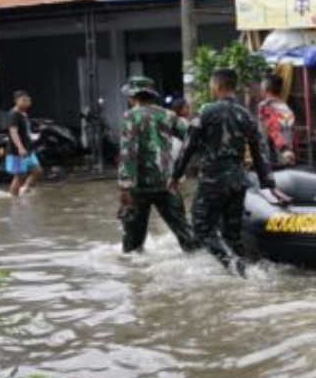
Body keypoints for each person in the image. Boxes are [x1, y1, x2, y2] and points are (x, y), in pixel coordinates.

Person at [170, 68, 277, 274]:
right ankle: (241, 273)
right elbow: (260, 151)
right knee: (232, 233)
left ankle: (231, 262)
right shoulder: (246, 114)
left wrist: (175, 176)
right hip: (238, 180)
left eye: (211, 85)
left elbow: (188, 146)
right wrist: (269, 184)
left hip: (214, 179)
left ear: (217, 86)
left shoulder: (206, 111)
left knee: (201, 226)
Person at [117, 76, 196, 254]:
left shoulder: (130, 116)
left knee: (133, 244)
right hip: (167, 184)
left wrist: (124, 187)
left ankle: (135, 276)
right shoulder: (169, 115)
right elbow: (192, 140)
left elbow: (127, 153)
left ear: (133, 96)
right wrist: (180, 170)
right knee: (185, 234)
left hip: (139, 187)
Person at [4, 90, 42, 199]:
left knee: (37, 171)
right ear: (16, 101)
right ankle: (14, 200)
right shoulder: (14, 114)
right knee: (19, 176)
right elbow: (13, 132)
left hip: (28, 150)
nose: (27, 103)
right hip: (16, 152)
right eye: (24, 100)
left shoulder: (24, 114)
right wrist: (20, 148)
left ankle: (24, 191)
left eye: (29, 100)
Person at [257, 74, 296, 167]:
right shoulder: (285, 107)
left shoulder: (265, 105)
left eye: (261, 85)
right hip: (288, 155)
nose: (260, 88)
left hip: (273, 157)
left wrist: (284, 148)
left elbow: (272, 128)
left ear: (266, 88)